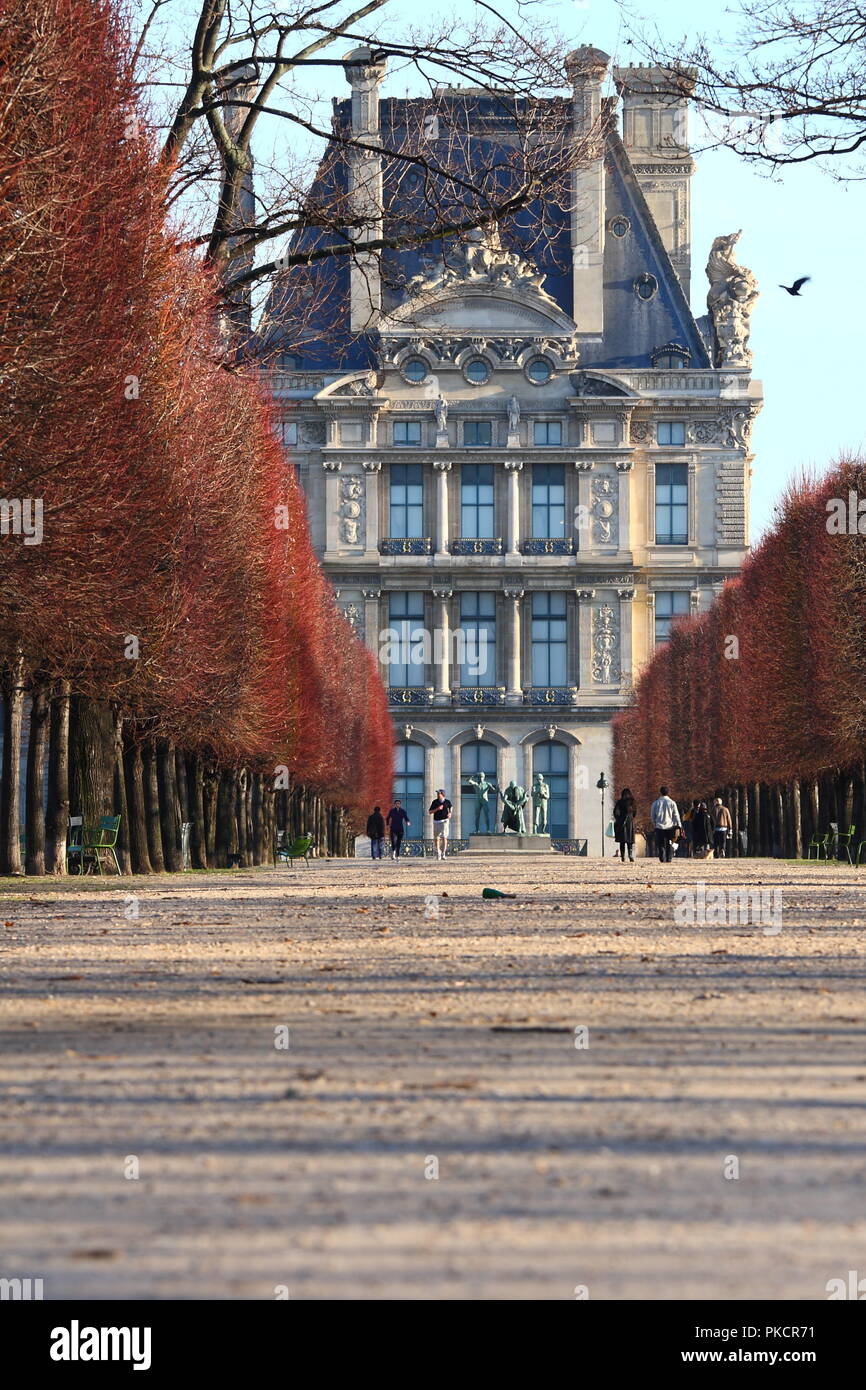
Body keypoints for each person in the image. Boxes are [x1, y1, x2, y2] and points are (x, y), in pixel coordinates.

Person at [650, 785, 682, 862]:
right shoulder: (672, 803)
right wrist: (679, 825)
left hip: (659, 826)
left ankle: (662, 858)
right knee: (669, 842)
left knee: (661, 843)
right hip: (670, 826)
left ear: (660, 792)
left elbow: (652, 815)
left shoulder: (655, 803)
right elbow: (676, 815)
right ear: (668, 793)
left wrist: (654, 823)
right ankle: (669, 858)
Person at [613, 788, 636, 863]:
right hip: (630, 823)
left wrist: (619, 819)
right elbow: (635, 812)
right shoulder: (632, 802)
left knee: (622, 841)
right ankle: (630, 855)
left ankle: (623, 856)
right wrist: (631, 817)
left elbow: (615, 812)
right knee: (630, 841)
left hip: (621, 823)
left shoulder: (619, 802)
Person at [428, 789, 453, 860]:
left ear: (442, 794)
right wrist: (437, 809)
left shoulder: (447, 802)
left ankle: (443, 853)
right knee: (436, 838)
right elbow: (430, 812)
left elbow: (451, 807)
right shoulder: (435, 802)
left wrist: (450, 813)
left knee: (444, 837)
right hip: (436, 821)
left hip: (445, 821)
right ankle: (438, 851)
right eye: (437, 793)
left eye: (439, 793)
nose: (438, 795)